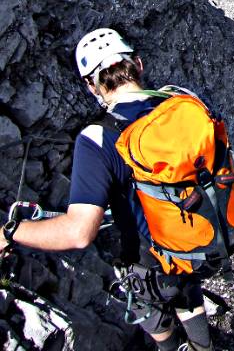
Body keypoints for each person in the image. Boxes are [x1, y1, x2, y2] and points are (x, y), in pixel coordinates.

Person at [0, 29, 214, 351]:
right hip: (197, 231)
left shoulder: (97, 138)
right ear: (138, 64)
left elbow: (78, 233)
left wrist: (11, 232)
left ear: (91, 85)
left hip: (146, 256)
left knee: (152, 310)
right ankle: (203, 346)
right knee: (184, 284)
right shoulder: (180, 100)